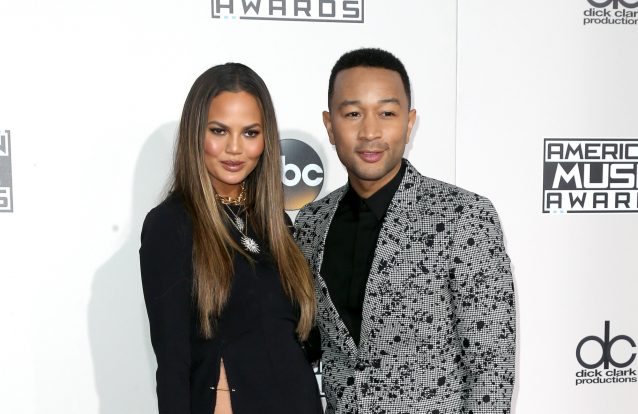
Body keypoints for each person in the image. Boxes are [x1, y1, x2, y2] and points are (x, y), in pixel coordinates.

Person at [294, 48, 516, 413]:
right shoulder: (311, 223)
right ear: (330, 126)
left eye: (387, 113)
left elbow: (490, 370)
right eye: (353, 114)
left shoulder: (463, 217)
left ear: (409, 123)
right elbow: (304, 342)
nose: (370, 132)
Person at [139, 63, 322, 414]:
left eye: (250, 133)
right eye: (219, 131)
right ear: (195, 133)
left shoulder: (276, 224)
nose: (235, 148)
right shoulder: (171, 225)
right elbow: (173, 363)